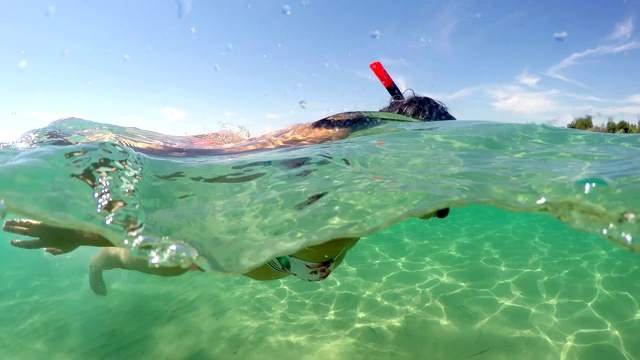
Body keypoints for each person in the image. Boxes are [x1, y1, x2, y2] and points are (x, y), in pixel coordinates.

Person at [2, 93, 456, 296]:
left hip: (279, 261)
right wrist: (83, 236)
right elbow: (189, 216)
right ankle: (102, 258)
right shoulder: (331, 170)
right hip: (252, 242)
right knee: (177, 261)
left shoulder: (387, 186)